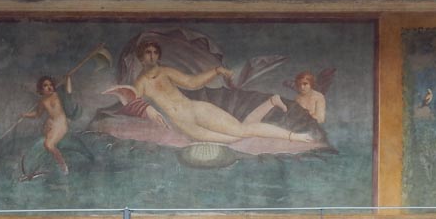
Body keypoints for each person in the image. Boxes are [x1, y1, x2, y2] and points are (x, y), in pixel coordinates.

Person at [130, 40, 312, 144]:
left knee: (241, 131)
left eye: (155, 52)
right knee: (235, 138)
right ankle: (271, 102)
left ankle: (294, 136)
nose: (152, 55)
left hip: (196, 109)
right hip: (184, 124)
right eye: (148, 52)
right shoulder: (141, 82)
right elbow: (131, 103)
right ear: (141, 56)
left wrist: (216, 71)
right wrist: (149, 109)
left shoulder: (166, 71)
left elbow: (191, 83)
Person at [20, 74, 73, 174]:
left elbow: (69, 92)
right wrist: (25, 115)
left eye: (51, 85)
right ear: (41, 89)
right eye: (45, 85)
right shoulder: (42, 101)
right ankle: (43, 164)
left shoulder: (57, 95)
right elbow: (37, 114)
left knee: (48, 144)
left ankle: (63, 165)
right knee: (45, 140)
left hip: (61, 123)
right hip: (52, 123)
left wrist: (68, 79)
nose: (49, 87)